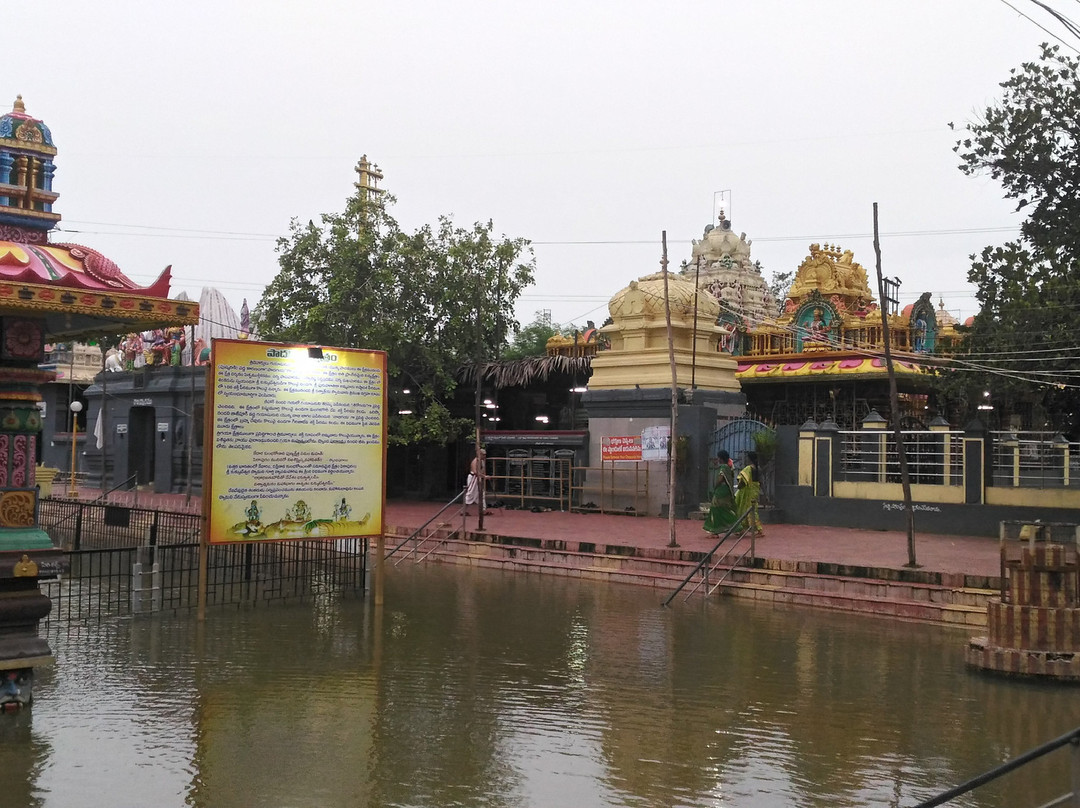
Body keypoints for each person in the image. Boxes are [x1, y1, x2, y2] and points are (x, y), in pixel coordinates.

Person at [703, 449, 737, 535]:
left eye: (718, 458)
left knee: (716, 509)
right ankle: (718, 530)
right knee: (723, 509)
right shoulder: (729, 467)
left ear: (721, 459)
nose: (718, 459)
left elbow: (721, 479)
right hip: (726, 492)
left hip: (721, 492)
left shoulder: (724, 467)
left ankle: (716, 531)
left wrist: (715, 486)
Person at [735, 451, 764, 537]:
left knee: (749, 510)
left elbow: (743, 481)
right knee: (748, 509)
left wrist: (739, 487)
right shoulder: (758, 468)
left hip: (748, 492)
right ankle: (742, 529)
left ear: (749, 458)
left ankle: (759, 530)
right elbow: (760, 482)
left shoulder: (748, 468)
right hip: (754, 491)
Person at [464, 449, 490, 516]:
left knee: (481, 493)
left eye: (485, 454)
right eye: (483, 454)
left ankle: (483, 510)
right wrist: (484, 476)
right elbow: (475, 472)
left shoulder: (482, 461)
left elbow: (482, 471)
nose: (484, 456)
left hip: (479, 478)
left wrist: (483, 476)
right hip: (473, 478)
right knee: (470, 494)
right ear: (480, 454)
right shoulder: (475, 461)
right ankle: (464, 510)